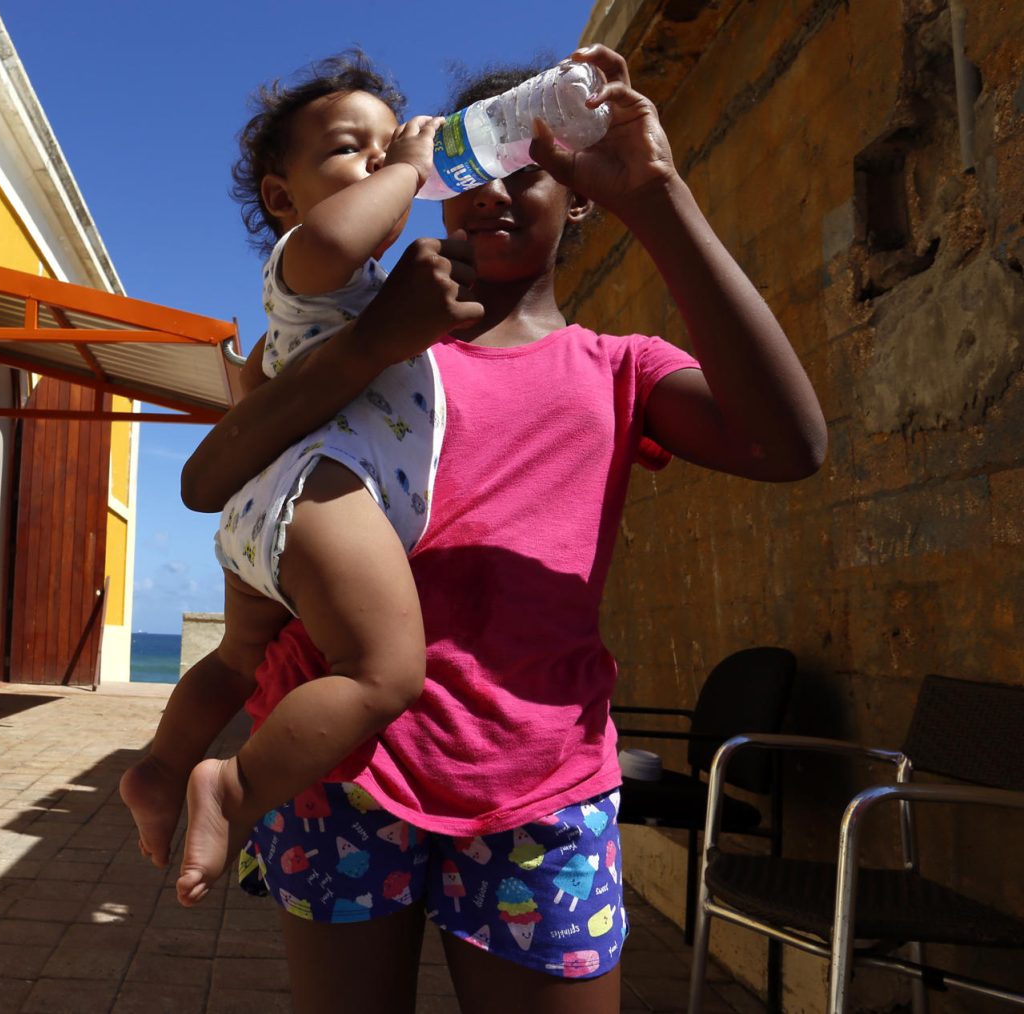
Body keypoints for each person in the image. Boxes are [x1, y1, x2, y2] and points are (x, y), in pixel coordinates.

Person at [179, 46, 826, 1013]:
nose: (498, 189)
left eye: (533, 164)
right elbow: (208, 478)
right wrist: (372, 342)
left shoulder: (620, 368)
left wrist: (658, 197)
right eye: (479, 164)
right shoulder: (374, 342)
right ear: (441, 181)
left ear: (578, 194)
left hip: (543, 784)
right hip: (343, 777)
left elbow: (789, 445)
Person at [119, 51, 451, 906]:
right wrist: (414, 169)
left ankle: (159, 768)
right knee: (383, 672)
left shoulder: (311, 311)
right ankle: (231, 789)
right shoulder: (312, 260)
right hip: (324, 493)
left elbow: (258, 395)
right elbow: (348, 232)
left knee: (237, 658)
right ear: (283, 198)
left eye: (390, 145)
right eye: (352, 150)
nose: (380, 162)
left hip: (268, 511)